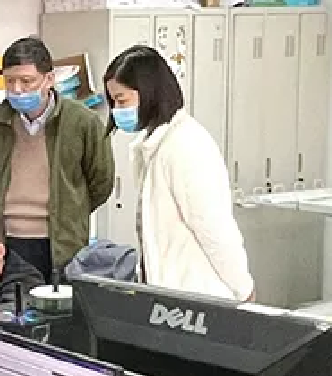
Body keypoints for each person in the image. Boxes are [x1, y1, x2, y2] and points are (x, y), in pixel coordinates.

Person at [104, 45, 255, 301]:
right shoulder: (154, 145)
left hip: (197, 294)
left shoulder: (186, 145)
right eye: (114, 102)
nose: (117, 111)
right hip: (168, 293)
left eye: (122, 100)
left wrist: (243, 288)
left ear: (149, 92)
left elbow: (214, 228)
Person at [0, 37, 115, 285]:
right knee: (12, 306)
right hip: (8, 239)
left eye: (26, 81)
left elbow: (101, 182)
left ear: (49, 79)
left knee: (58, 305)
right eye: (10, 81)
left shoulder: (82, 122)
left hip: (59, 242)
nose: (17, 89)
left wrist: (70, 209)